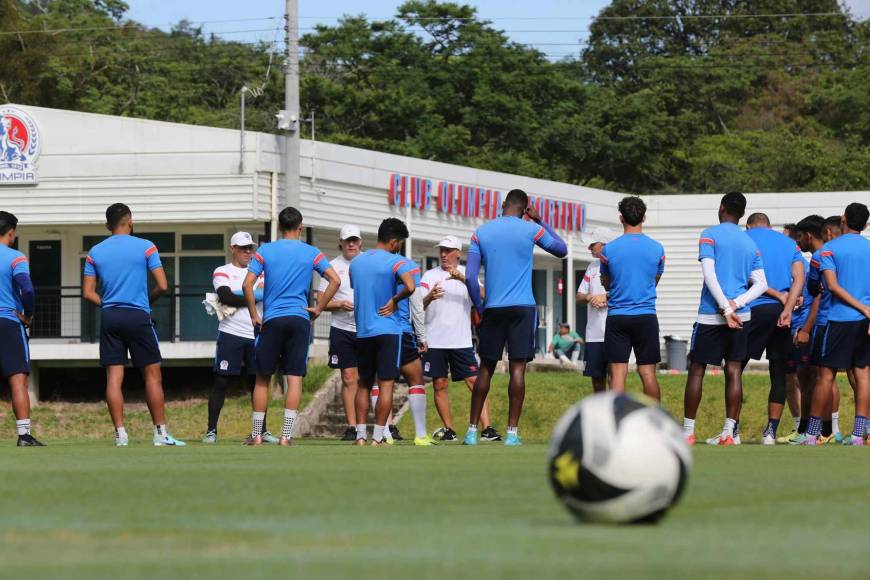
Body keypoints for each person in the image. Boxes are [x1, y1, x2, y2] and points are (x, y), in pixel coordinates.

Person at [464, 189, 568, 446]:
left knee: (486, 369)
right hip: (523, 307)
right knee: (518, 368)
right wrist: (540, 220)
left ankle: (471, 432)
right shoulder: (531, 229)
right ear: (525, 208)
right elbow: (562, 250)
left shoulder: (481, 232)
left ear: (502, 206)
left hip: (493, 308)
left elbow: (469, 276)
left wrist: (479, 306)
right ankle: (512, 433)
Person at [82, 203, 185, 446]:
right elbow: (162, 285)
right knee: (152, 375)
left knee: (113, 377)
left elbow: (88, 292)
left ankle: (121, 435)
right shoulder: (146, 247)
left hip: (110, 316)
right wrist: (144, 302)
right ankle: (160, 434)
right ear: (130, 221)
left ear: (108, 225)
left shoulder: (95, 252)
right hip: (137, 315)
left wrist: (107, 304)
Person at [242, 207, 340, 446]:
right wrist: (319, 307)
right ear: (300, 227)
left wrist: (255, 314)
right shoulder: (312, 252)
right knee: (294, 378)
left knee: (262, 378)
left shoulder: (265, 251)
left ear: (278, 226)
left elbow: (247, 285)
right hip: (299, 319)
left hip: (272, 319)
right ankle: (286, 436)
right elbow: (335, 280)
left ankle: (256, 435)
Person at [682, 192, 767, 446]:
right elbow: (762, 284)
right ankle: (729, 433)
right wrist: (736, 305)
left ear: (721, 208)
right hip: (741, 316)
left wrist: (724, 308)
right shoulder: (750, 243)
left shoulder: (709, 234)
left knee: (697, 369)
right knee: (733, 371)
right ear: (742, 213)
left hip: (711, 314)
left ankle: (687, 432)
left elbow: (710, 275)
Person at [801, 203, 870, 446]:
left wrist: (860, 307)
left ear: (843, 218)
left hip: (839, 319)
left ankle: (811, 435)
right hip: (865, 322)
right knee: (863, 375)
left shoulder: (828, 251)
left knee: (825, 376)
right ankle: (859, 435)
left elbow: (829, 286)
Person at [421, 235, 501, 442]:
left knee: (475, 382)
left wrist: (463, 280)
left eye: (448, 251)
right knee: (439, 384)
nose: (444, 255)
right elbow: (417, 306)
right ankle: (449, 430)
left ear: (459, 253)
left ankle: (487, 429)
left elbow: (485, 295)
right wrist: (430, 296)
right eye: (442, 250)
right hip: (435, 340)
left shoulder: (468, 274)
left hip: (461, 340)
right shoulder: (429, 275)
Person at [202, 232, 277, 444]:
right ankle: (211, 431)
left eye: (250, 248)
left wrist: (242, 294)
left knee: (258, 383)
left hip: (256, 334)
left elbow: (265, 294)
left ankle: (260, 431)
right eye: (243, 248)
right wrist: (254, 295)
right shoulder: (222, 271)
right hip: (230, 334)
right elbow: (225, 296)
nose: (248, 252)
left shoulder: (260, 272)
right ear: (232, 248)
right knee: (221, 381)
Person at [348, 218, 417, 445]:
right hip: (388, 330)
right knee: (386, 384)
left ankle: (359, 436)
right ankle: (378, 437)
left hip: (364, 331)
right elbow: (410, 286)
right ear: (394, 242)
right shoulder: (395, 262)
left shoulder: (356, 263)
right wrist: (395, 300)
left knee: (364, 384)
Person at [743, 213, 805, 445]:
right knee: (778, 372)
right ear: (769, 226)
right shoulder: (789, 243)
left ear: (748, 225)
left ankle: (732, 428)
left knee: (735, 367)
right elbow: (799, 279)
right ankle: (771, 431)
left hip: (754, 309)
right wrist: (787, 306)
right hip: (781, 312)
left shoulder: (744, 239)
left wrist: (776, 294)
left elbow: (749, 277)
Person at [599, 196, 665, 400]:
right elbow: (655, 280)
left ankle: (617, 427)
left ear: (621, 218)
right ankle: (655, 425)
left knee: (618, 373)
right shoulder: (657, 249)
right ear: (644, 217)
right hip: (646, 315)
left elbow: (607, 283)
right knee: (648, 374)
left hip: (618, 316)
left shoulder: (608, 250)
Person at [371, 241, 436, 446]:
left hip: (376, 332)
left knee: (378, 382)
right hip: (401, 332)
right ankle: (420, 435)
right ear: (397, 242)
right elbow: (416, 305)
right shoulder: (407, 266)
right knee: (415, 379)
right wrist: (422, 337)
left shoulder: (369, 265)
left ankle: (384, 433)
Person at [0, 211, 43, 446]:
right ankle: (24, 435)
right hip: (8, 322)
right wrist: (28, 314)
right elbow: (27, 290)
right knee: (18, 380)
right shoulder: (15, 257)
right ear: (11, 233)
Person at [317, 224, 362, 442]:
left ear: (360, 242)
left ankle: (386, 427)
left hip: (367, 329)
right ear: (340, 243)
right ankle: (352, 427)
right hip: (342, 329)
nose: (351, 244)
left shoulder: (368, 263)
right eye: (348, 240)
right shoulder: (330, 267)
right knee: (348, 377)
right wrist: (338, 304)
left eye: (355, 240)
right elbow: (320, 303)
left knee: (373, 379)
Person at [779, 223, 809, 440]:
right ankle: (799, 426)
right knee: (789, 379)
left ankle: (810, 428)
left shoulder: (803, 265)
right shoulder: (783, 265)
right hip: (786, 328)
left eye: (786, 240)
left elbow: (809, 298)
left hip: (799, 328)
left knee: (804, 378)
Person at [577, 227, 612, 392]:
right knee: (597, 380)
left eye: (592, 244)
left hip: (615, 332)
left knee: (615, 379)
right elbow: (579, 296)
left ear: (604, 244)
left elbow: (627, 291)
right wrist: (590, 297)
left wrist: (605, 297)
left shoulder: (618, 263)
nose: (589, 248)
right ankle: (600, 414)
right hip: (594, 334)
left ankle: (616, 415)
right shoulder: (592, 266)